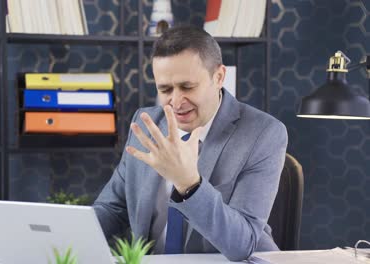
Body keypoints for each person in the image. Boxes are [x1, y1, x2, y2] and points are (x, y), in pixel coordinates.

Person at [92, 25, 288, 261]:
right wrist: (65, 236)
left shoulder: (263, 133)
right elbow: (113, 209)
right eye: (165, 89)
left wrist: (188, 184)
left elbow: (242, 243)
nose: (175, 102)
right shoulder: (146, 125)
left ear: (219, 77)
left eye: (187, 87)